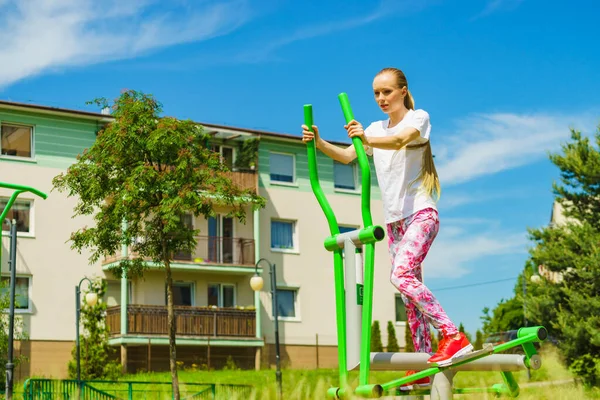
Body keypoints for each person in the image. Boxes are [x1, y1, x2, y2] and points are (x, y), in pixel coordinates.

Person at [301, 67, 473, 388]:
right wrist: (320, 142)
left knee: (401, 275)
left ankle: (452, 335)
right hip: (394, 222)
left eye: (387, 92)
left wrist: (366, 138)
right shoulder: (375, 127)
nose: (381, 98)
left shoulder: (417, 118)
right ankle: (423, 364)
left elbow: (398, 140)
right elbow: (347, 156)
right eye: (377, 94)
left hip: (421, 214)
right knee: (408, 295)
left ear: (403, 91)